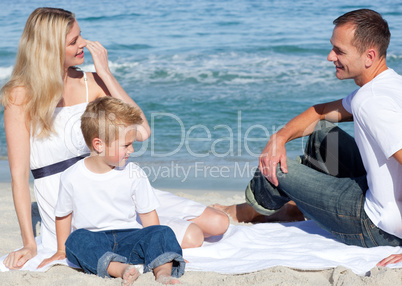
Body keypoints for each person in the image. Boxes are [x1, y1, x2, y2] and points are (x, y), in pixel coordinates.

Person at [1, 7, 228, 270]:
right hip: (73, 199)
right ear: (50, 48)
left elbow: (141, 131)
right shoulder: (20, 95)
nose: (83, 44)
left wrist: (106, 75)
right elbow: (18, 177)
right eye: (73, 41)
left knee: (218, 222)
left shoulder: (92, 83)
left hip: (113, 180)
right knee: (194, 236)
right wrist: (29, 243)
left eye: (81, 36)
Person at [214, 9, 402, 266]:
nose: (330, 57)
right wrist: (278, 138)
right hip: (379, 194)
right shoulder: (390, 84)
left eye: (339, 51)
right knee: (321, 135)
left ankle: (252, 210)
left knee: (277, 169)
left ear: (369, 56)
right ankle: (295, 205)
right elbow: (320, 112)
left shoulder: (371, 103)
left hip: (375, 225)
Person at [38, 97, 185, 285]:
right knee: (75, 240)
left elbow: (149, 217)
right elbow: (63, 215)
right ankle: (121, 269)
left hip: (131, 237)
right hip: (95, 240)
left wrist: (162, 250)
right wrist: (60, 250)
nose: (131, 150)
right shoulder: (71, 176)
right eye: (126, 145)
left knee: (163, 232)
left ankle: (163, 273)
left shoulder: (134, 173)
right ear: (99, 145)